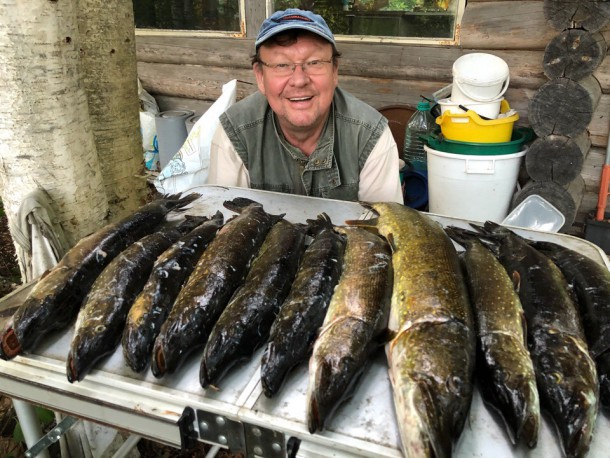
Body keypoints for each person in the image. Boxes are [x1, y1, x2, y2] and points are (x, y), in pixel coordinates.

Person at [207, 8, 403, 204]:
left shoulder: (370, 134)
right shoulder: (234, 133)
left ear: (335, 71)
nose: (299, 80)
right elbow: (226, 223)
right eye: (282, 65)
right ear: (260, 77)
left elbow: (383, 228)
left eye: (314, 62)